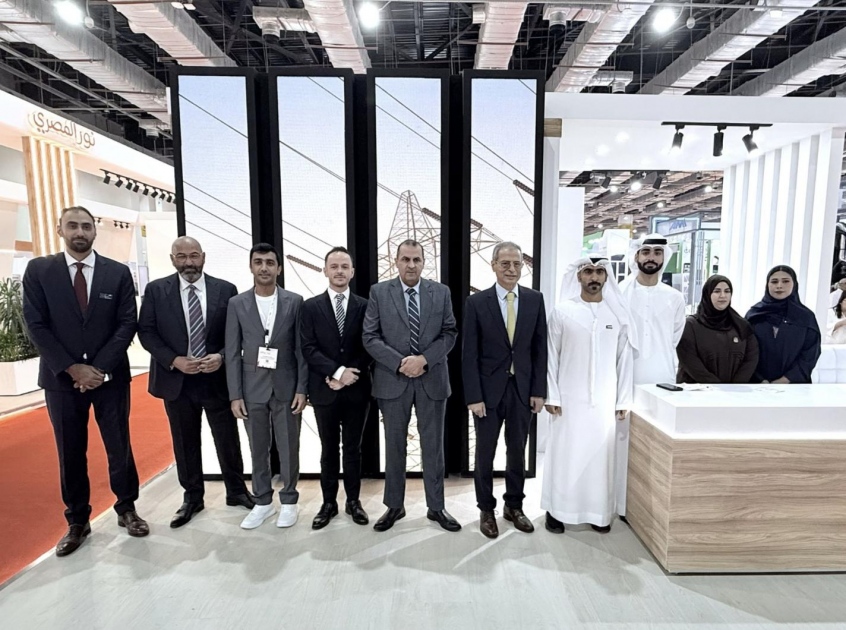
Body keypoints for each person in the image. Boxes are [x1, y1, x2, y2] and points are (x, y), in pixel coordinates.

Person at [22, 206, 147, 557]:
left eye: (86, 226)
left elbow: (127, 323)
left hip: (110, 377)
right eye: (73, 226)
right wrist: (72, 368)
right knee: (70, 450)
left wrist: (99, 368)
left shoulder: (117, 273)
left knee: (119, 444)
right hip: (61, 380)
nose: (80, 232)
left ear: (94, 231)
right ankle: (77, 520)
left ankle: (127, 508)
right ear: (59, 229)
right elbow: (35, 324)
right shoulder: (39, 270)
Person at [138, 236, 253, 529]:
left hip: (216, 379)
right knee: (184, 440)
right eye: (182, 257)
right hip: (177, 380)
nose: (188, 262)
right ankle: (192, 498)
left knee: (227, 439)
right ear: (172, 259)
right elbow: (147, 333)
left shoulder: (225, 290)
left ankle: (237, 491)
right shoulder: (156, 291)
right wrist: (174, 360)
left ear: (203, 256)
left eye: (193, 256)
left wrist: (222, 357)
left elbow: (237, 333)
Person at [362, 239, 460, 533]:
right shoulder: (379, 292)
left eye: (416, 259)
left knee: (434, 447)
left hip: (432, 380)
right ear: (396, 261)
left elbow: (450, 332)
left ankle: (436, 507)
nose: (411, 265)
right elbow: (370, 336)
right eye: (405, 259)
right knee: (394, 446)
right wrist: (401, 363)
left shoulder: (441, 292)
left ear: (424, 262)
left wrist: (424, 360)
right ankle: (394, 505)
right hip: (393, 380)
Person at [543, 256, 633, 535]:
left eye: (599, 272)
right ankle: (557, 511)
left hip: (604, 400)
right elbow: (551, 355)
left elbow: (624, 359)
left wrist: (623, 399)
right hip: (568, 400)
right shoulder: (563, 311)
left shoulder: (617, 315)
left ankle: (598, 513)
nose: (594, 277)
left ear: (606, 277)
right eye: (588, 272)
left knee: (600, 457)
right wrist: (552, 395)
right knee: (565, 455)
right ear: (579, 276)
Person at [462, 241, 547, 539]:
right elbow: (469, 354)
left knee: (517, 452)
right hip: (487, 393)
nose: (511, 269)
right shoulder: (476, 302)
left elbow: (540, 349)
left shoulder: (535, 299)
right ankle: (486, 509)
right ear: (494, 265)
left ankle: (514, 506)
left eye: (517, 264)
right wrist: (474, 396)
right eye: (505, 263)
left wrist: (539, 390)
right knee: (485, 453)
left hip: (522, 390)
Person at [226, 243, 307, 530]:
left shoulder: (294, 301)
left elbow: (301, 350)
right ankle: (262, 502)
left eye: (270, 263)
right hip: (251, 388)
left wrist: (302, 388)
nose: (264, 268)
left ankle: (289, 501)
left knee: (289, 447)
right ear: (251, 266)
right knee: (257, 448)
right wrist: (235, 395)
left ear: (278, 268)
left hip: (286, 386)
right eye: (258, 262)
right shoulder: (237, 304)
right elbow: (232, 352)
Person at [301, 246, 372, 529]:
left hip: (357, 389)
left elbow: (370, 344)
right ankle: (328, 503)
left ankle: (353, 501)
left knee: (353, 449)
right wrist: (337, 373)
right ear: (325, 270)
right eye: (334, 266)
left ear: (352, 272)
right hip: (324, 389)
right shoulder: (310, 307)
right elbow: (308, 347)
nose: (339, 271)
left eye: (344, 266)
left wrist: (349, 374)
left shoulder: (365, 306)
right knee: (328, 449)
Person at [618, 233, 684, 520]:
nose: (651, 258)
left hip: (660, 376)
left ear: (664, 257)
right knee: (622, 439)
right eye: (646, 252)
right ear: (636, 256)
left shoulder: (674, 297)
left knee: (654, 441)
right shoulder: (620, 291)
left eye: (657, 253)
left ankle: (648, 507)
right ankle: (621, 503)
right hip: (625, 376)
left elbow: (674, 336)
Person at [746, 265, 821, 384]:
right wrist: (759, 379)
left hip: (794, 386)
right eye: (774, 281)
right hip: (757, 385)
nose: (779, 286)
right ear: (767, 285)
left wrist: (786, 380)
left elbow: (810, 354)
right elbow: (745, 351)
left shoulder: (805, 317)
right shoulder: (754, 315)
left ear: (794, 284)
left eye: (785, 281)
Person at [676, 275, 759, 383]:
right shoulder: (691, 325)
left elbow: (751, 358)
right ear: (707, 294)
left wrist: (735, 385)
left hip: (734, 390)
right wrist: (716, 387)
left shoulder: (741, 325)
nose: (723, 296)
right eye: (717, 291)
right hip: (698, 390)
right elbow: (689, 360)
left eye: (727, 291)